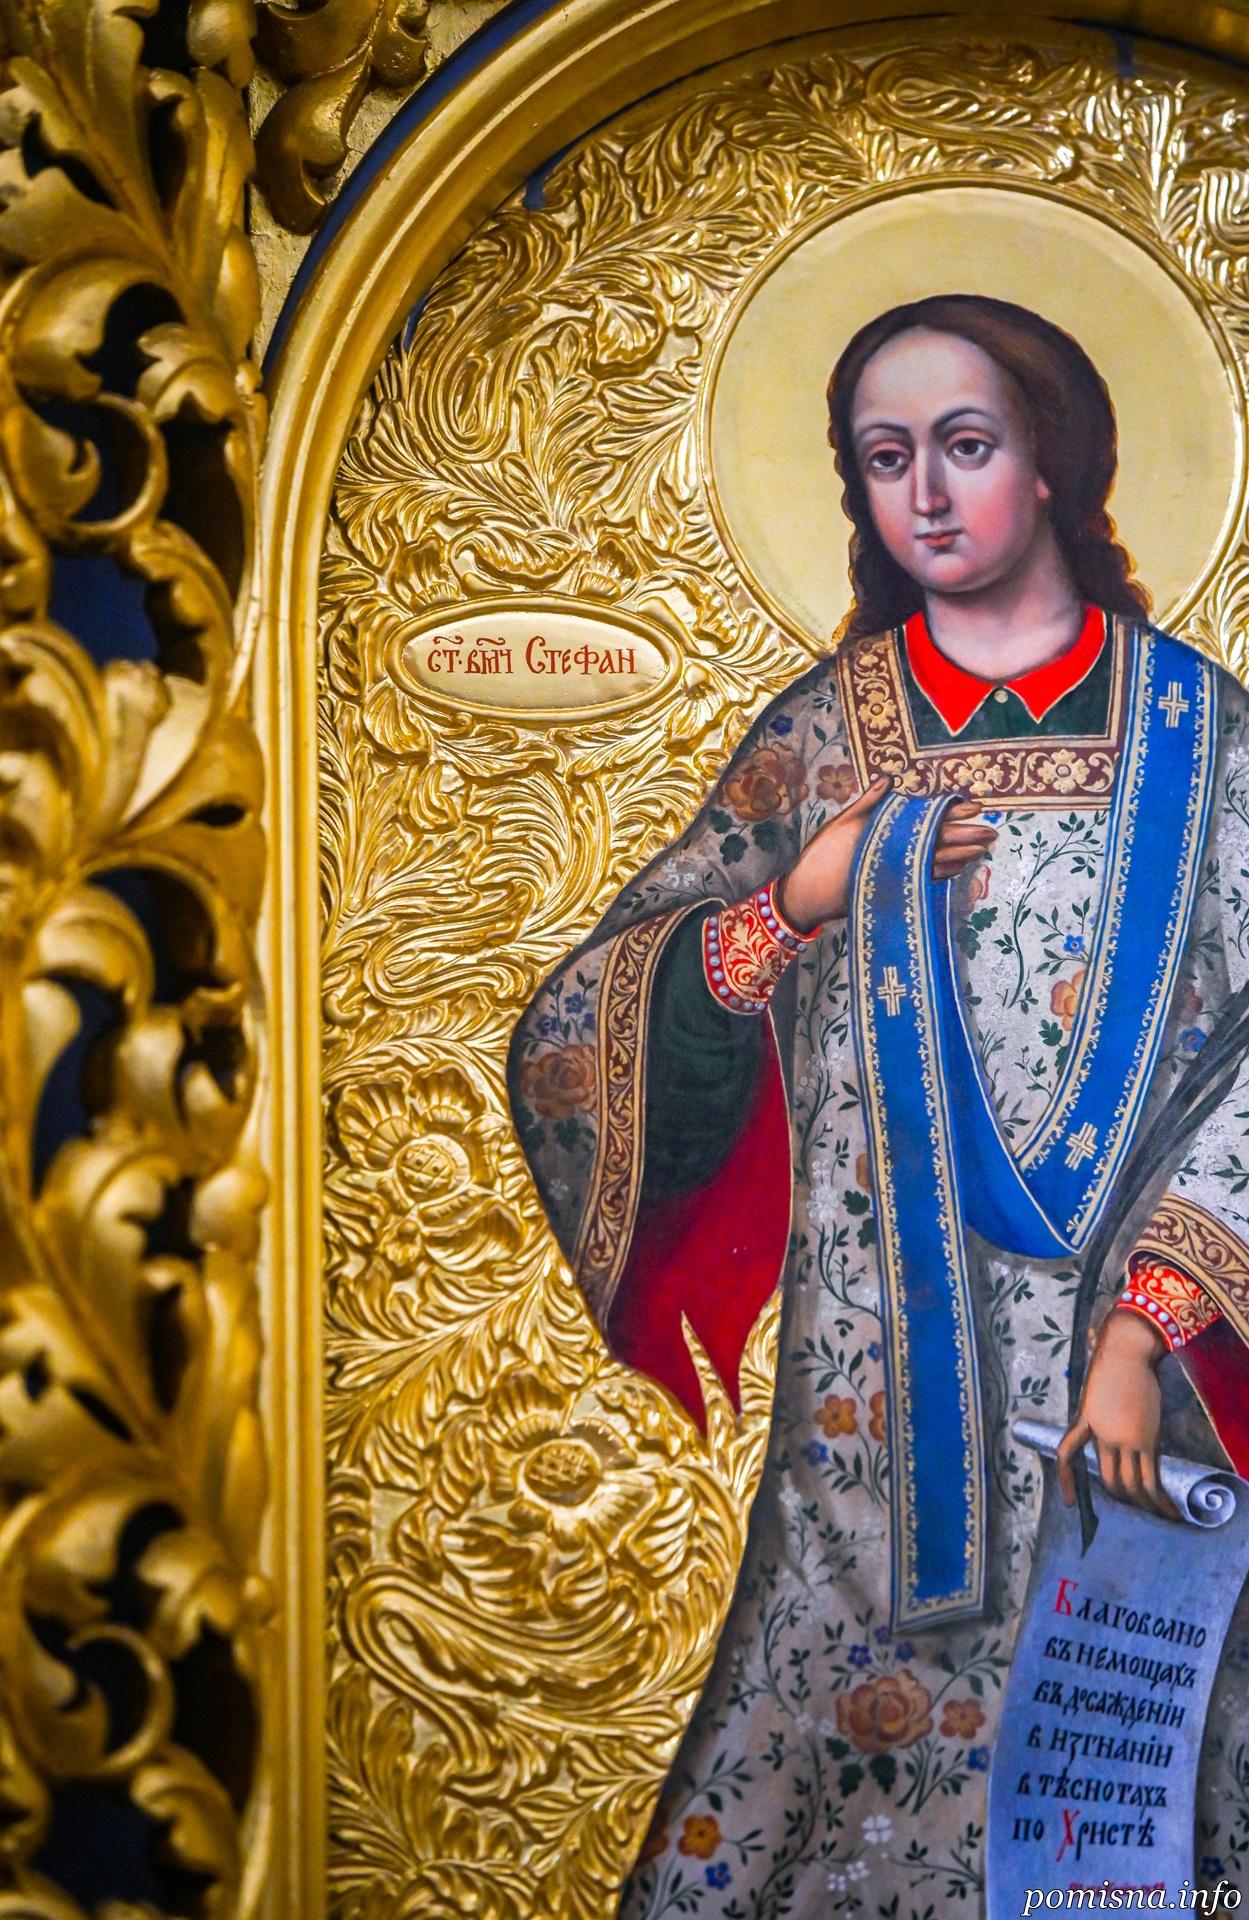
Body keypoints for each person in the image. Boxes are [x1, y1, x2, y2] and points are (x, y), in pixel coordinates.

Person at [508, 295, 1249, 1918]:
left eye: (964, 446)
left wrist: (1142, 1331)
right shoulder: (815, 740)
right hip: (867, 1426)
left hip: (1136, 1402)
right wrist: (794, 907)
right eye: (884, 457)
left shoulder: (1203, 741)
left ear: (1048, 462)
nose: (925, 493)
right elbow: (578, 1038)